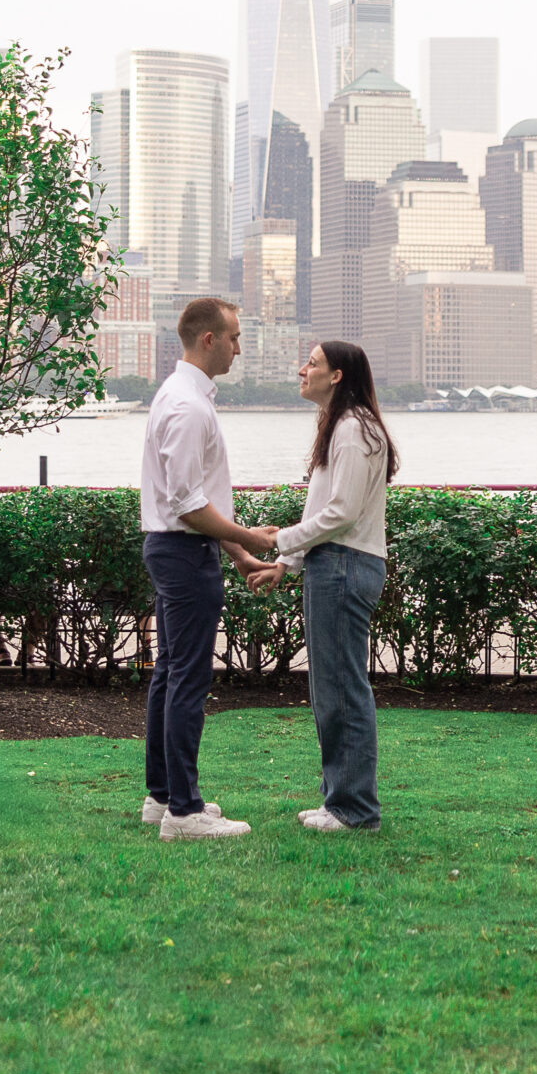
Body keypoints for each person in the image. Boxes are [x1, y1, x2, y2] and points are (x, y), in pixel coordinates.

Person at [138, 296, 282, 840]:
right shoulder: (187, 406)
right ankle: (183, 812)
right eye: (235, 338)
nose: (239, 348)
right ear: (208, 340)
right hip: (181, 553)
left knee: (170, 675)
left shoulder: (181, 398)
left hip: (180, 549)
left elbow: (192, 501)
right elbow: (186, 505)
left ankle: (163, 797)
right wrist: (248, 536)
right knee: (187, 682)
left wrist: (240, 555)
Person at [262, 338, 394, 833]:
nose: (302, 369)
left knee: (342, 690)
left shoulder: (355, 428)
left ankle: (354, 809)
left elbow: (342, 512)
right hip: (332, 563)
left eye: (312, 363)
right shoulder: (340, 426)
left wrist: (284, 540)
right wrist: (289, 560)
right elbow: (325, 507)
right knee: (330, 690)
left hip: (343, 565)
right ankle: (339, 798)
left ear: (337, 375)